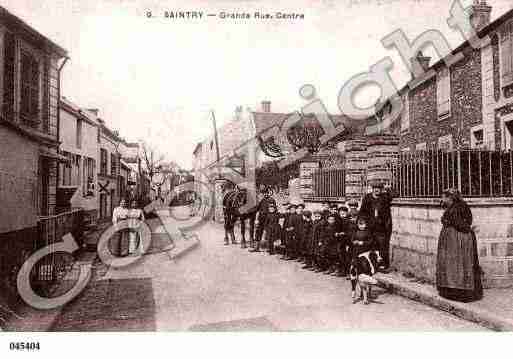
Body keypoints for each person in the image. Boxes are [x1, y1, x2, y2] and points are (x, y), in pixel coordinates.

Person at [436, 188, 483, 302]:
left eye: (444, 197)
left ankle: (458, 291)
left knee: (457, 264)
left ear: (450, 197)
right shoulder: (456, 206)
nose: (442, 199)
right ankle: (453, 289)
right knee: (454, 264)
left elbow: (460, 223)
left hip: (457, 240)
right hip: (455, 240)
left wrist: (466, 228)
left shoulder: (457, 207)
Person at [360, 182, 394, 270]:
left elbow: (394, 194)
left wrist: (388, 189)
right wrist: (362, 223)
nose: (377, 189)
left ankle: (384, 265)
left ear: (381, 189)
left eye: (379, 188)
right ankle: (373, 264)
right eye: (375, 188)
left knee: (382, 245)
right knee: (371, 245)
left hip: (381, 226)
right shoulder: (367, 197)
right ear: (372, 188)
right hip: (370, 226)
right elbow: (362, 211)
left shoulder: (384, 197)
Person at [349, 216, 377, 299]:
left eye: (363, 224)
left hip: (365, 253)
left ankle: (367, 290)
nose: (361, 226)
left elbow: (371, 241)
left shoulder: (368, 233)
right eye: (359, 224)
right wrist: (354, 242)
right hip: (356, 252)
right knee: (353, 268)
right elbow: (352, 239)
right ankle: (355, 289)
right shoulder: (355, 232)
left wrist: (363, 242)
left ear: (366, 225)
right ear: (357, 225)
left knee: (365, 270)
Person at [252, 187, 277, 252]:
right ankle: (256, 247)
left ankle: (270, 248)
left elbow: (274, 210)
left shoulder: (272, 200)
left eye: (267, 193)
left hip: (268, 219)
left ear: (269, 193)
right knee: (258, 232)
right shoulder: (262, 200)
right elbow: (257, 209)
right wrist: (256, 218)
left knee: (269, 233)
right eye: (264, 193)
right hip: (261, 219)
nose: (266, 194)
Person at [335, 206, 352, 277]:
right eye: (341, 213)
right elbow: (336, 229)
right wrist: (336, 233)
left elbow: (351, 232)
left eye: (344, 213)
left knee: (347, 257)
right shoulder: (338, 220)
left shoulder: (349, 221)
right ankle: (343, 271)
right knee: (341, 256)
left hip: (347, 242)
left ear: (346, 213)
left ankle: (348, 272)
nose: (342, 215)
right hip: (340, 241)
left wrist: (344, 233)